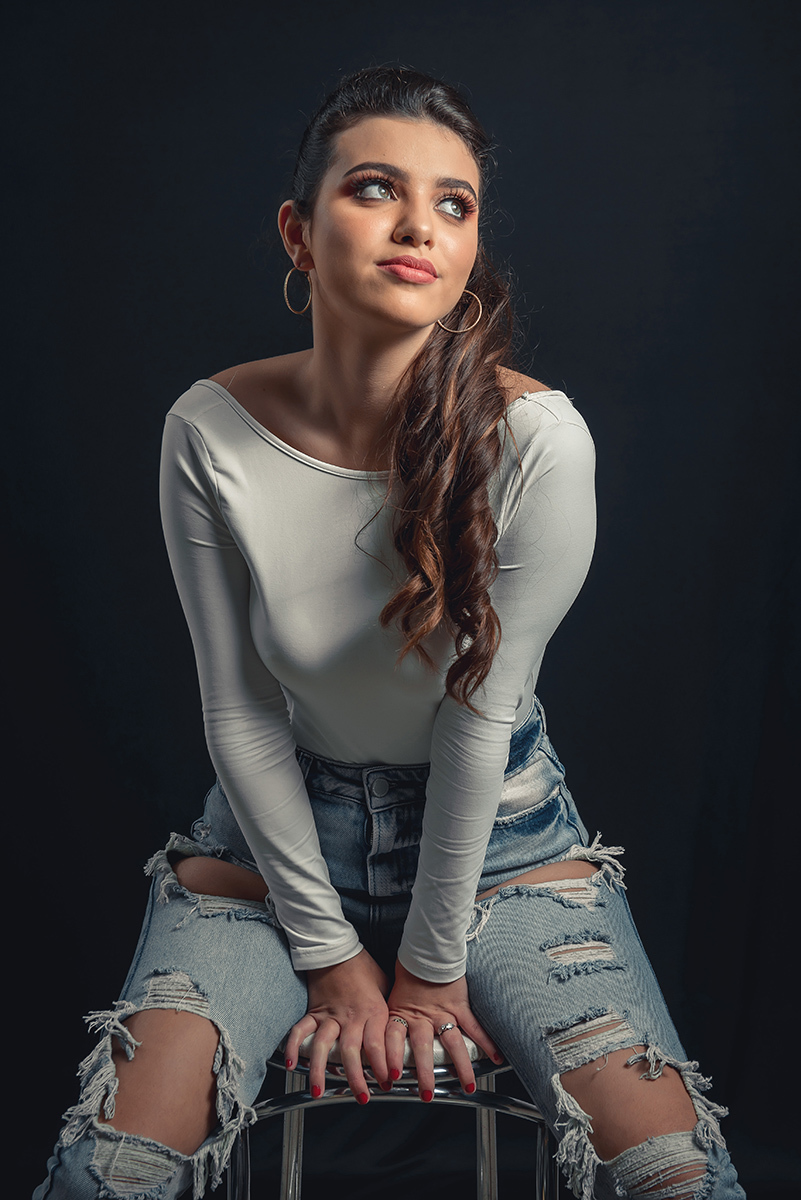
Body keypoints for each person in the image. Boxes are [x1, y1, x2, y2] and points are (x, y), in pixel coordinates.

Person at [34, 66, 744, 1200]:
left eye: (454, 203)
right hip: (269, 848)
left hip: (502, 850)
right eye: (375, 189)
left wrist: (424, 973)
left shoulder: (539, 441)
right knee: (108, 1172)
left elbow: (482, 714)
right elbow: (240, 708)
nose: (421, 225)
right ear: (299, 233)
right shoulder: (208, 431)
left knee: (674, 1176)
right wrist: (330, 963)